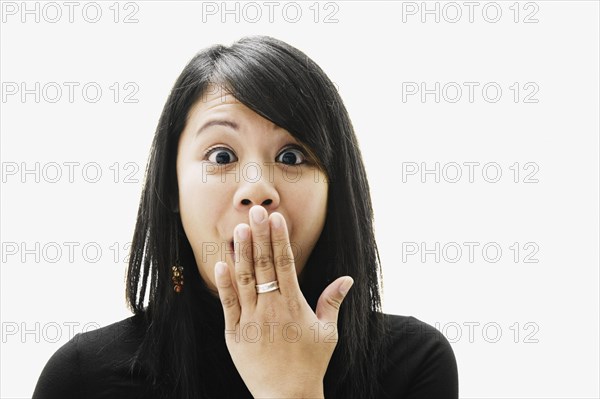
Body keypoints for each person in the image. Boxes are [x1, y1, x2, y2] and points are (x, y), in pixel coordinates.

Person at [32, 35, 459, 398]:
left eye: (291, 156)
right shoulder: (81, 377)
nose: (257, 188)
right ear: (171, 189)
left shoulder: (414, 365)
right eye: (221, 156)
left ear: (336, 189)